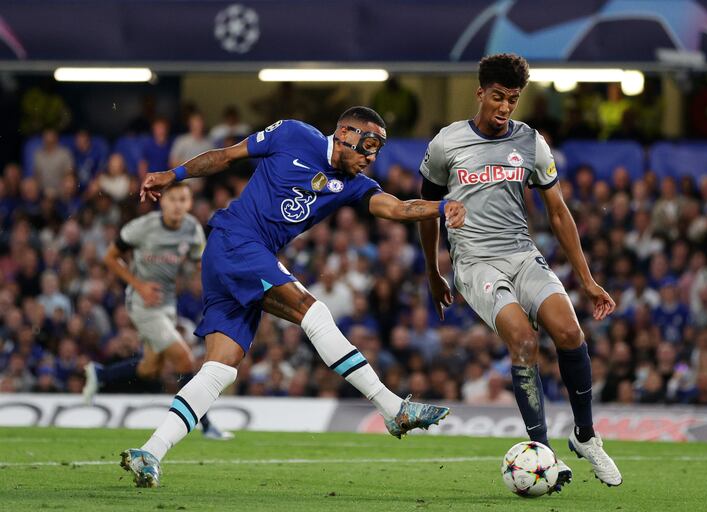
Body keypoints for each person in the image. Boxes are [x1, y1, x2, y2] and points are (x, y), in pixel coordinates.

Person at [122, 107, 466, 488]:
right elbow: (226, 156)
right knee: (311, 311)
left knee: (220, 368)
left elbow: (399, 208)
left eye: (378, 151)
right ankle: (392, 408)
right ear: (346, 133)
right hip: (236, 241)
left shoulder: (353, 184)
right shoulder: (292, 134)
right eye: (368, 145)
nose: (371, 157)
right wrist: (174, 175)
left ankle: (150, 451)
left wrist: (440, 207)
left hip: (239, 260)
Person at [418, 53, 622, 489]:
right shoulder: (446, 144)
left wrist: (586, 280)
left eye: (513, 99)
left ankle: (585, 436)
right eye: (498, 97)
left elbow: (559, 212)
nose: (505, 108)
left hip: (522, 254)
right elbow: (424, 211)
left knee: (569, 332)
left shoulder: (531, 143)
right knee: (524, 340)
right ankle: (542, 452)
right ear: (480, 93)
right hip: (474, 261)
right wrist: (434, 271)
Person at [82, 182, 232, 440]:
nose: (177, 205)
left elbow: (202, 262)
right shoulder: (144, 227)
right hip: (142, 304)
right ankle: (206, 426)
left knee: (150, 368)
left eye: (183, 200)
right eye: (172, 199)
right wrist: (139, 286)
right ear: (162, 201)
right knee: (184, 360)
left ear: (189, 203)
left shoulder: (191, 229)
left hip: (167, 304)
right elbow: (110, 257)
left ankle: (101, 374)